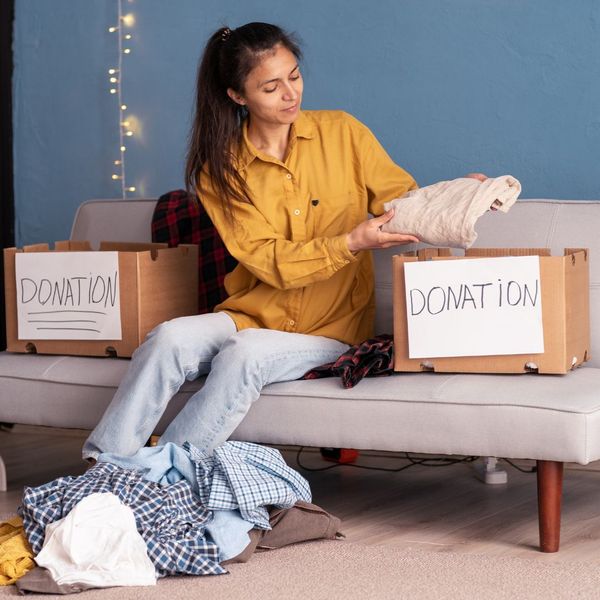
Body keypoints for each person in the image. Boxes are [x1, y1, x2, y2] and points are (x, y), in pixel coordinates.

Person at [82, 22, 471, 461]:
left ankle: (167, 477)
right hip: (252, 314)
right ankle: (102, 470)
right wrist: (348, 243)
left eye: (295, 76)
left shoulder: (344, 133)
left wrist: (459, 196)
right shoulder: (220, 169)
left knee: (244, 353)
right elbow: (269, 262)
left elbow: (403, 203)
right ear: (237, 95)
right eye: (271, 86)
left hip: (330, 330)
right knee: (167, 339)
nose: (291, 94)